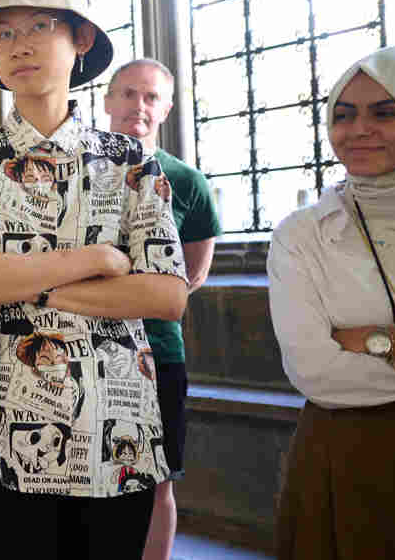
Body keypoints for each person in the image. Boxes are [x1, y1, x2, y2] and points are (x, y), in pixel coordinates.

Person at [0, 0, 187, 558]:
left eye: (39, 25)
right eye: (3, 34)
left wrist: (21, 285)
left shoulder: (130, 161)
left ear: (80, 39)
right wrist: (95, 257)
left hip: (114, 436)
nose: (19, 46)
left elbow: (166, 295)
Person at [270, 45, 395, 560]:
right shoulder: (303, 234)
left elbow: (340, 354)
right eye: (343, 115)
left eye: (385, 112)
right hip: (350, 451)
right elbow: (314, 369)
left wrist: (366, 342)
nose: (359, 129)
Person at [103, 58, 221, 560]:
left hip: (157, 352)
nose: (138, 106)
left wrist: (139, 297)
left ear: (166, 108)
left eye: (151, 97)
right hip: (87, 348)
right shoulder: (78, 170)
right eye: (128, 94)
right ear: (108, 101)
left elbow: (193, 275)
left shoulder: (186, 181)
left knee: (157, 480)